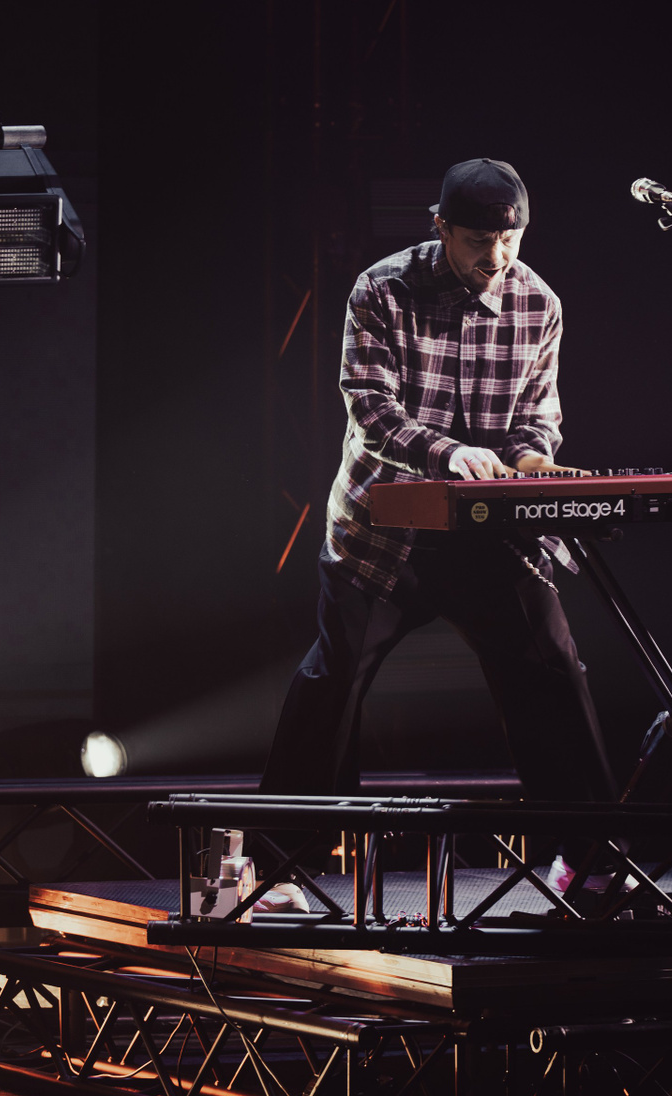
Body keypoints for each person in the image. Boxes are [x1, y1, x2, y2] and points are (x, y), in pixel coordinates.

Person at [261, 158, 616, 883]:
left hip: (488, 537)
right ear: (441, 228)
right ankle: (281, 871)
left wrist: (531, 462)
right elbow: (371, 408)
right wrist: (450, 453)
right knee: (333, 682)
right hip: (382, 536)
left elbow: (537, 420)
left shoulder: (539, 303)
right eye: (479, 240)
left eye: (510, 239)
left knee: (553, 669)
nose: (497, 256)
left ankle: (590, 860)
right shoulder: (382, 289)